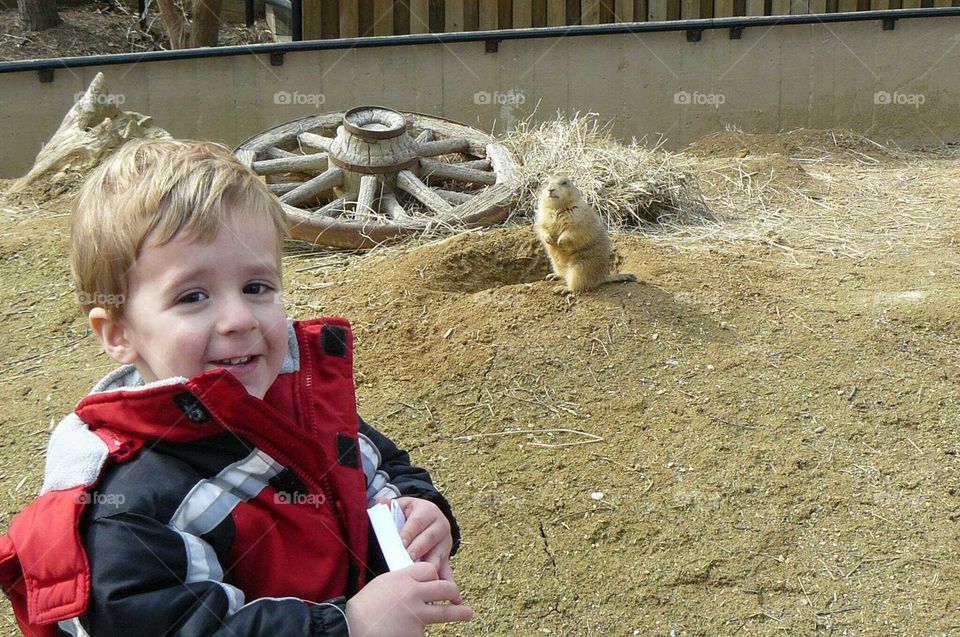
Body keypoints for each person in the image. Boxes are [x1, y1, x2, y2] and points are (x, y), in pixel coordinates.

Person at [0, 139, 473, 637]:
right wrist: (348, 624)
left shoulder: (297, 402)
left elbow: (378, 466)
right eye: (193, 296)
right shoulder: (125, 506)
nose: (239, 319)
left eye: (256, 287)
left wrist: (421, 510)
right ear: (118, 334)